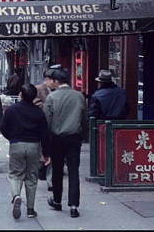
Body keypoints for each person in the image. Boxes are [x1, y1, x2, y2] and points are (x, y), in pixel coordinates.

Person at [0, 83, 51, 220]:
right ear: (34, 96)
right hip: (34, 145)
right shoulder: (39, 113)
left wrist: (12, 137)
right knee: (32, 177)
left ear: (21, 95)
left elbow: (3, 127)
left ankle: (16, 195)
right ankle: (30, 209)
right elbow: (44, 134)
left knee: (15, 174)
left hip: (16, 144)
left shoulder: (12, 110)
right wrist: (46, 153)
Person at [44, 68, 88, 219]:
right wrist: (83, 135)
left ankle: (57, 200)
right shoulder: (79, 96)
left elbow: (47, 121)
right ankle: (74, 205)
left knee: (57, 170)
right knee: (74, 171)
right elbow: (85, 118)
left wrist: (46, 143)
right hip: (74, 137)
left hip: (57, 138)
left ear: (56, 82)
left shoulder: (52, 97)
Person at [33, 65, 60, 190]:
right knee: (42, 153)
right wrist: (48, 106)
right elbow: (35, 103)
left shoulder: (59, 91)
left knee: (53, 154)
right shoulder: (39, 89)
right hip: (42, 126)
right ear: (47, 80)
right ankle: (40, 170)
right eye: (53, 80)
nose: (55, 83)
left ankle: (51, 183)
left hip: (56, 127)